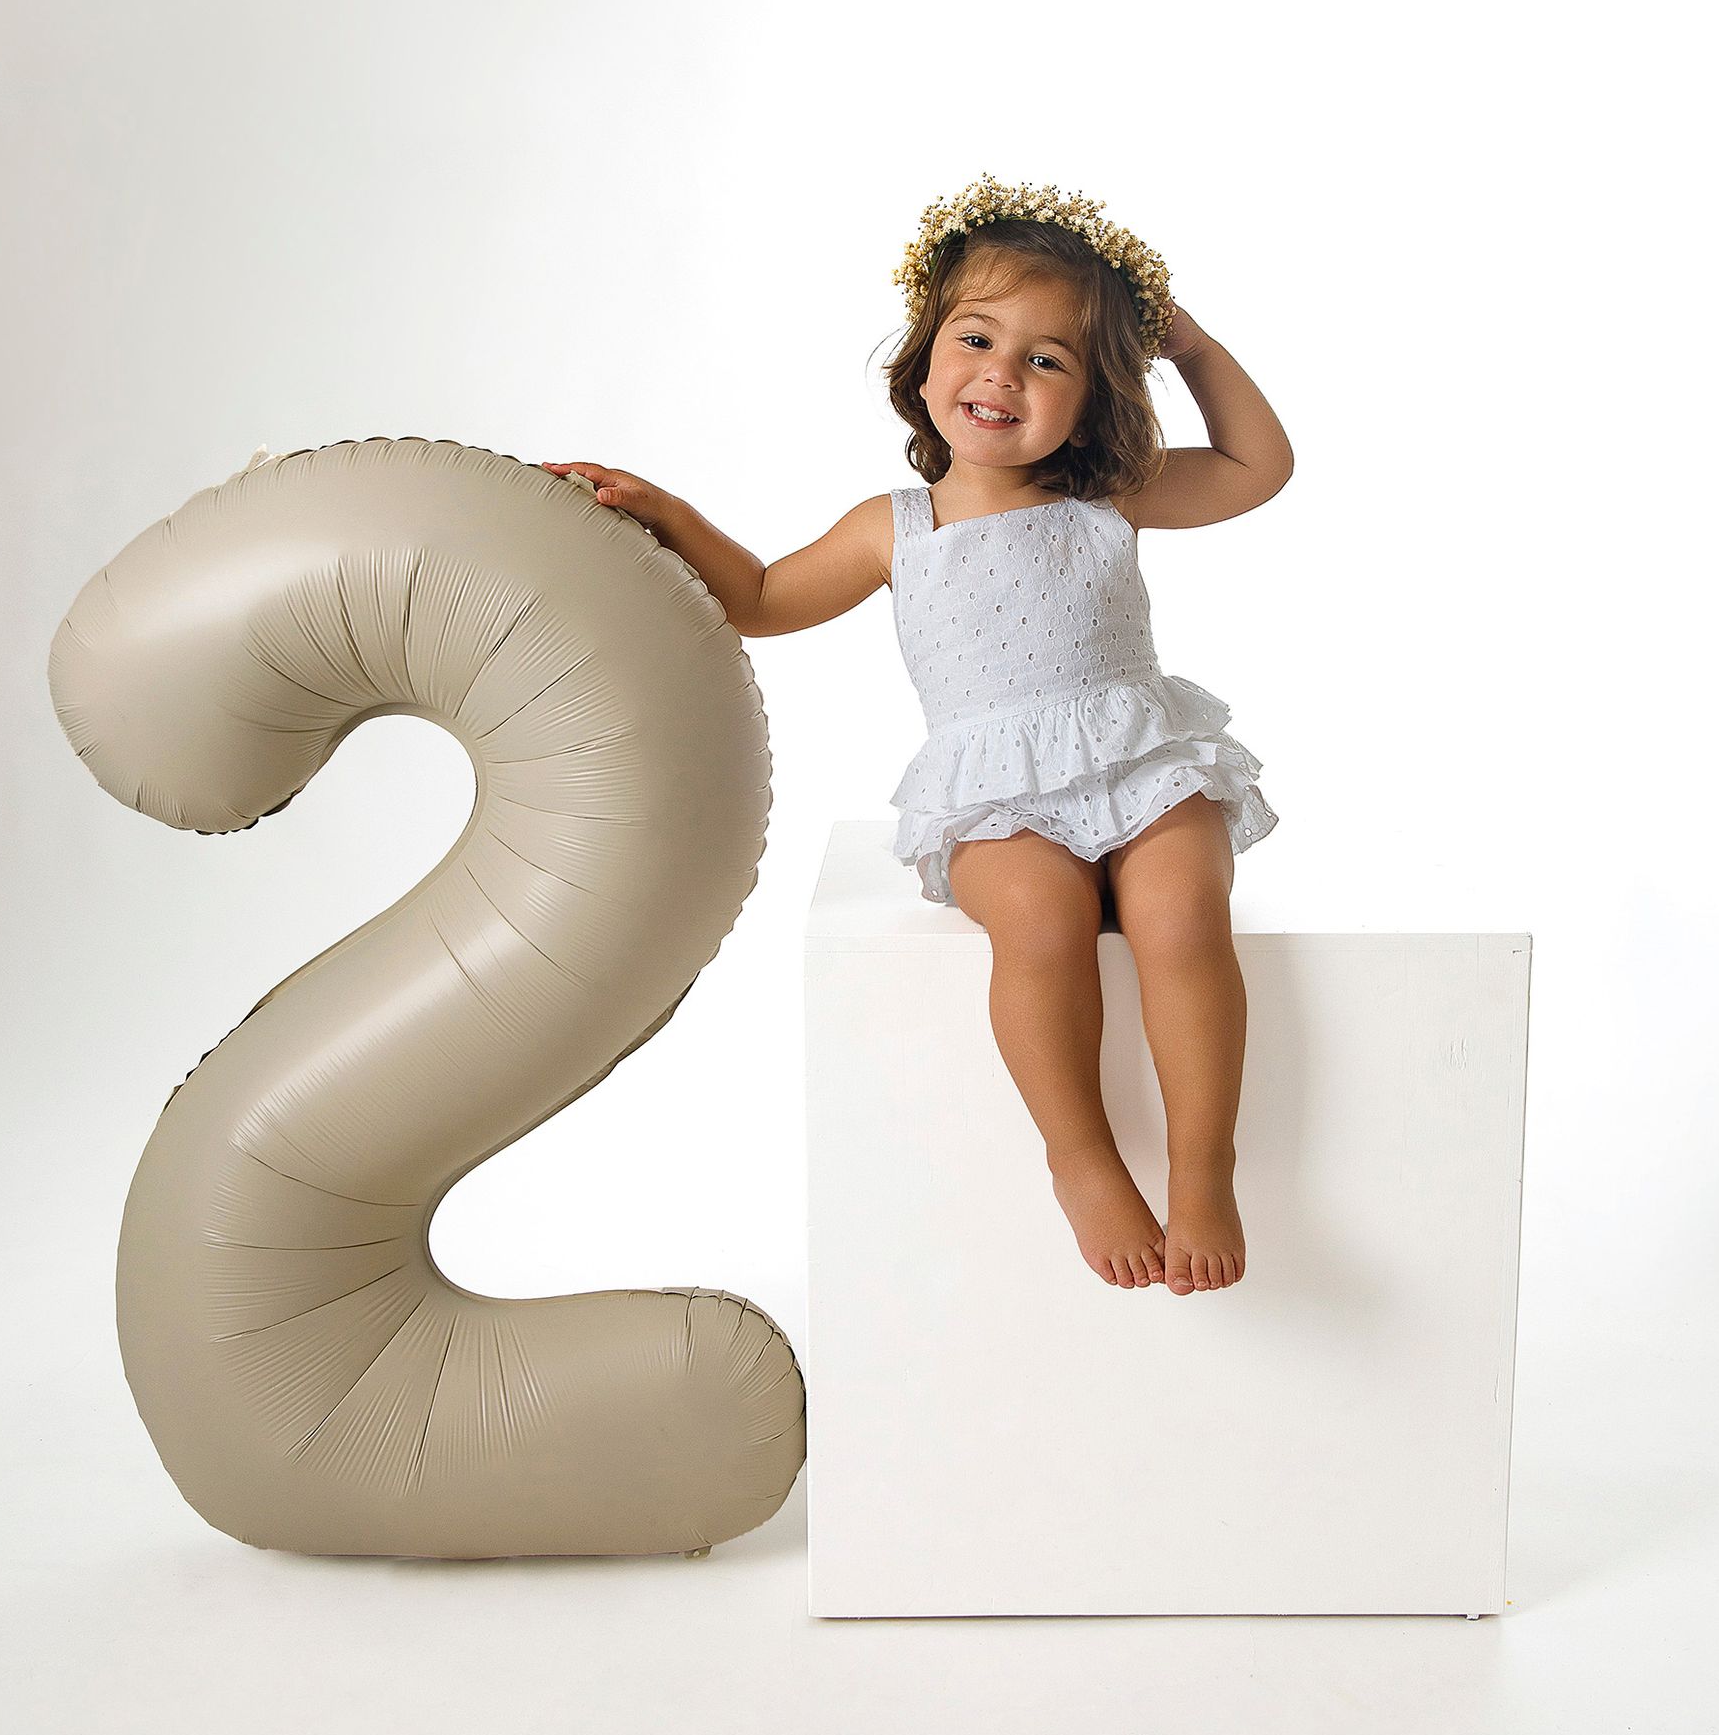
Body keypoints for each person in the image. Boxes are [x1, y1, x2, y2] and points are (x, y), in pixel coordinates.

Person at [540, 174, 1293, 1301]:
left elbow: (1255, 469)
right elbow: (758, 599)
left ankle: (1203, 1166)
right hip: (995, 790)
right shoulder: (890, 528)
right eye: (976, 339)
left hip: (1141, 762)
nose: (1001, 374)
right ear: (925, 358)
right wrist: (667, 512)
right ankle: (1082, 1159)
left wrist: (1189, 347)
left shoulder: (1111, 494)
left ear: (1094, 397)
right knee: (1038, 921)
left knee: (1183, 913)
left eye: (1047, 359)